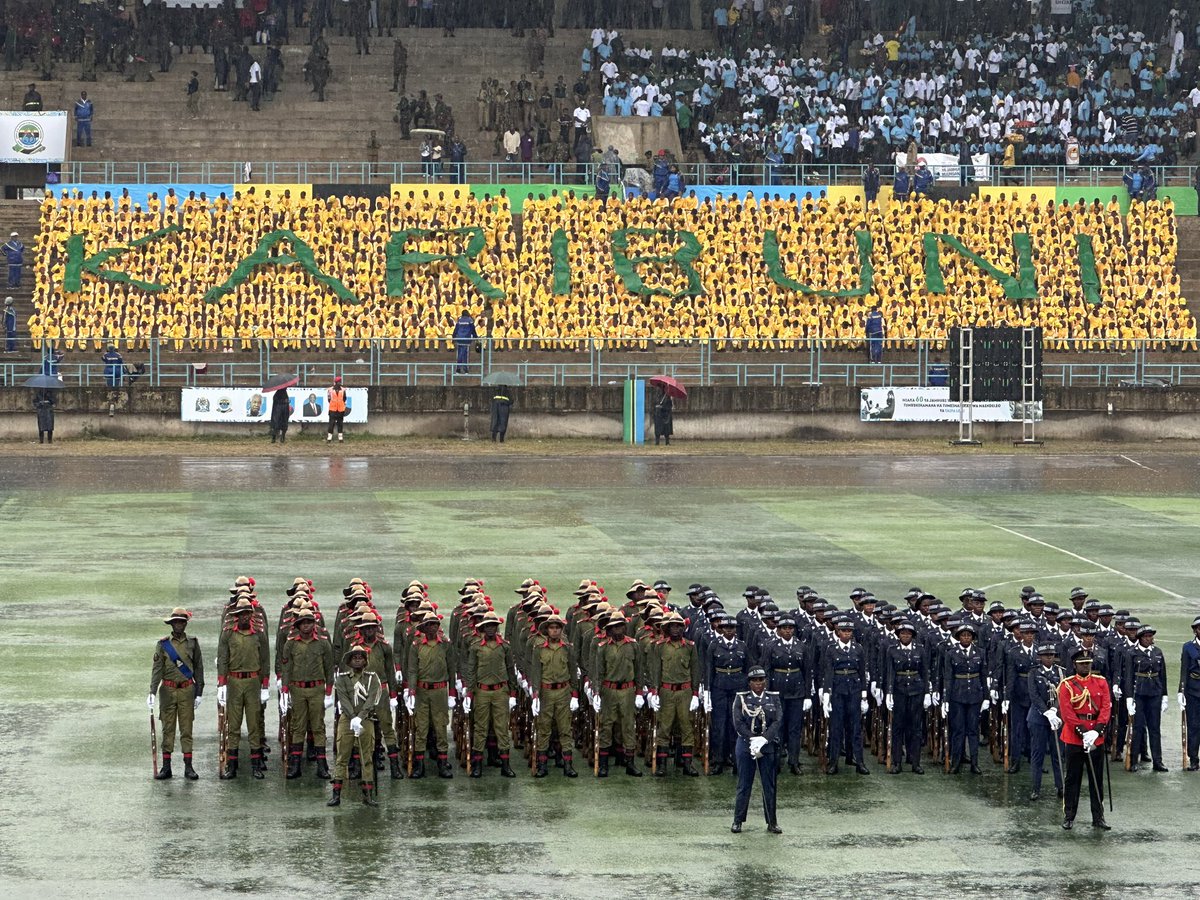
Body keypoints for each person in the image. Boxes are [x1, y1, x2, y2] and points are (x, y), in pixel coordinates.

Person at [216, 596, 271, 779]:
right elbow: (223, 658)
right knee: (234, 724)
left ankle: (256, 765)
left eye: (248, 613)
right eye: (242, 614)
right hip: (234, 681)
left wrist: (265, 685)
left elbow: (264, 659)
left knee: (254, 723)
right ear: (237, 615)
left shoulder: (259, 634)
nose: (245, 616)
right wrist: (222, 684)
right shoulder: (228, 634)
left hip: (253, 681)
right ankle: (232, 765)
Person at [1058, 648, 1111, 830]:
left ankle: (1098, 817)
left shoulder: (1101, 682)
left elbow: (1105, 708)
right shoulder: (1067, 685)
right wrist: (1082, 732)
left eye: (1088, 663)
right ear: (1075, 665)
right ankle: (1069, 816)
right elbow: (1067, 713)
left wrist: (1096, 731)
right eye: (1082, 664)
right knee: (1073, 778)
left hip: (1096, 736)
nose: (1085, 666)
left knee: (1096, 779)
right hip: (1074, 737)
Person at [149, 607, 204, 781]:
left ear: (185, 623)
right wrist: (152, 691)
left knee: (187, 729)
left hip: (187, 690)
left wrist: (199, 691)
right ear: (171, 624)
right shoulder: (163, 644)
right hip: (168, 690)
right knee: (168, 729)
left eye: (181, 621)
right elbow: (157, 669)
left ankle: (188, 767)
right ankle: (166, 768)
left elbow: (199, 668)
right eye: (176, 622)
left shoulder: (193, 643)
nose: (179, 624)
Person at [279, 606, 334, 780]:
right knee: (297, 726)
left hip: (317, 688)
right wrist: (285, 691)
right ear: (298, 625)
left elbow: (329, 667)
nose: (306, 626)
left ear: (314, 624)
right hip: (297, 689)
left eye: (309, 622)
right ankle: (295, 765)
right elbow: (286, 668)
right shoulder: (291, 643)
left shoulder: (323, 643)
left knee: (318, 726)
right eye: (303, 623)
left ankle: (322, 765)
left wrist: (329, 692)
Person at [402, 609, 457, 778]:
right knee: (421, 728)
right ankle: (419, 766)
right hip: (421, 691)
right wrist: (410, 691)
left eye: (435, 624)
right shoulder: (416, 645)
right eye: (429, 624)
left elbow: (451, 668)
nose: (432, 627)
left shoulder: (445, 643)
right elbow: (412, 669)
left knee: (440, 727)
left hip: (440, 690)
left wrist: (452, 693)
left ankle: (442, 764)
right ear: (424, 628)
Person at [464, 610, 517, 778]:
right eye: (487, 626)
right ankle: (477, 765)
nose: (491, 629)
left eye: (493, 625)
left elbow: (510, 669)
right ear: (483, 628)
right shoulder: (475, 647)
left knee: (502, 728)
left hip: (501, 691)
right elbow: (471, 670)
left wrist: (513, 692)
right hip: (482, 691)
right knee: (480, 728)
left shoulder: (505, 646)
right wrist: (469, 693)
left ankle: (505, 765)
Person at [328, 645, 382, 806]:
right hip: (347, 720)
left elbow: (372, 699)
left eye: (361, 657)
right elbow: (343, 700)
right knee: (342, 756)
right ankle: (336, 794)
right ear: (349, 661)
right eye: (354, 657)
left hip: (366, 719)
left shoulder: (373, 678)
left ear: (365, 661)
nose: (358, 659)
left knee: (367, 757)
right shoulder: (342, 678)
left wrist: (360, 717)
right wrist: (353, 717)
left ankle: (368, 794)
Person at [731, 667, 782, 834]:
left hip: (767, 745)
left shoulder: (773, 698)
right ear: (750, 683)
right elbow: (738, 723)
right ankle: (738, 820)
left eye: (761, 680)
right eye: (755, 681)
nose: (758, 684)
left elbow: (777, 721)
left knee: (769, 785)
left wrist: (764, 739)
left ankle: (772, 822)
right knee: (744, 784)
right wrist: (753, 739)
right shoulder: (741, 699)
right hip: (746, 745)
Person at [529, 612, 579, 778]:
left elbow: (573, 671)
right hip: (546, 692)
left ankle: (568, 765)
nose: (555, 631)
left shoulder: (568, 649)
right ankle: (542, 766)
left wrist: (575, 695)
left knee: (565, 729)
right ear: (547, 630)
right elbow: (536, 672)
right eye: (552, 628)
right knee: (544, 729)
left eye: (558, 628)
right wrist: (535, 695)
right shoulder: (538, 649)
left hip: (564, 692)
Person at [822, 616, 870, 775]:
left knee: (856, 728)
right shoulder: (831, 649)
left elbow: (862, 672)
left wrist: (864, 695)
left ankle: (859, 761)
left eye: (849, 631)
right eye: (844, 631)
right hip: (837, 690)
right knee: (836, 727)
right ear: (838, 632)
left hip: (854, 690)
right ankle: (833, 762)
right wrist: (827, 695)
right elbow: (828, 672)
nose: (847, 634)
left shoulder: (858, 649)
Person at [704, 612, 748, 775]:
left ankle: (737, 761)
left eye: (732, 628)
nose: (729, 631)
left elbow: (746, 668)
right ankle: (718, 760)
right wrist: (707, 692)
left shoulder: (742, 646)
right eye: (726, 628)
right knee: (719, 727)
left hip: (737, 688)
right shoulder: (714, 645)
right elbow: (709, 669)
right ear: (721, 629)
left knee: (735, 725)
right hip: (719, 688)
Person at [942, 622, 988, 774]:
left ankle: (974, 763)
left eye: (969, 636)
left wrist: (986, 696)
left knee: (973, 730)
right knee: (958, 730)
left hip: (975, 695)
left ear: (973, 638)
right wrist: (946, 700)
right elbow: (948, 677)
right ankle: (956, 762)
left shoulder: (980, 652)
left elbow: (983, 674)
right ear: (958, 637)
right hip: (957, 695)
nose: (966, 638)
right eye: (963, 635)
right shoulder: (951, 653)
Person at [884, 621, 927, 774]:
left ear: (912, 636)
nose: (905, 636)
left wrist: (927, 693)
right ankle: (897, 762)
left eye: (908, 634)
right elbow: (889, 672)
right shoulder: (892, 650)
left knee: (915, 727)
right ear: (898, 635)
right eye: (902, 633)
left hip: (916, 690)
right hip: (899, 690)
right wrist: (888, 693)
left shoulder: (920, 650)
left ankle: (915, 762)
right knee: (897, 727)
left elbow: (924, 671)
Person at [1127, 624, 1169, 772]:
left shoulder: (1157, 652)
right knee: (1137, 728)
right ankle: (1133, 760)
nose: (1148, 639)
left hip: (1155, 693)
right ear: (1139, 638)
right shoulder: (1132, 653)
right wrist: (1128, 698)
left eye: (1150, 636)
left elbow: (1162, 675)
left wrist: (1164, 695)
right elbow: (1128, 676)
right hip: (1138, 693)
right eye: (1145, 636)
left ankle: (1158, 761)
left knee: (1154, 728)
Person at [1027, 642, 1065, 801]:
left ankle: (1060, 787)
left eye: (1051, 655)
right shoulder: (1034, 673)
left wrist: (1054, 710)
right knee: (1038, 754)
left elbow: (1062, 693)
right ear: (1040, 657)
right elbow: (1034, 695)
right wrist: (1046, 712)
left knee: (1058, 754)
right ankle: (1035, 788)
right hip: (1038, 718)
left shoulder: (1061, 672)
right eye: (1045, 656)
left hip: (1056, 718)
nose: (1049, 658)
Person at [1179, 616, 1200, 771]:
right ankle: (1194, 758)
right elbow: (1184, 670)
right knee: (1193, 726)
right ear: (1195, 630)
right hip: (1193, 691)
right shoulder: (1188, 647)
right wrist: (1181, 691)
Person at [452, 309, 478, 374]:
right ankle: (465, 370)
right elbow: (473, 329)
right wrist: (475, 337)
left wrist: (453, 337)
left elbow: (456, 329)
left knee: (459, 354)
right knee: (465, 355)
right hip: (466, 339)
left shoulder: (459, 320)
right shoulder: (470, 320)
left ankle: (458, 369)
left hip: (459, 339)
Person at [326, 374, 347, 442]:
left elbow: (344, 398)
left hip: (341, 409)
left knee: (340, 423)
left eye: (340, 382)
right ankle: (329, 438)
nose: (339, 383)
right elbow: (328, 399)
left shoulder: (343, 390)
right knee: (331, 423)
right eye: (338, 382)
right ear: (335, 382)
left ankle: (340, 438)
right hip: (332, 409)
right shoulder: (330, 390)